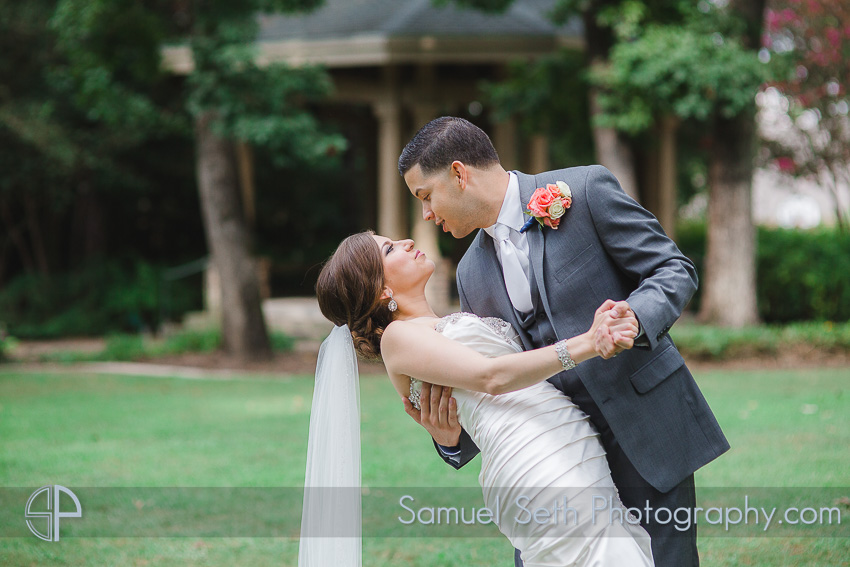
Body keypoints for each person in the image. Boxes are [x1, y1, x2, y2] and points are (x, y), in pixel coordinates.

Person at [398, 117, 730, 567]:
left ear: (459, 174)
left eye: (426, 196)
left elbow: (672, 270)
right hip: (556, 460)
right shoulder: (470, 274)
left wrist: (635, 315)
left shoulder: (585, 190)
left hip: (644, 427)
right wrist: (450, 442)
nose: (426, 215)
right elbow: (501, 383)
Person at [302, 230, 654, 567]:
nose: (407, 242)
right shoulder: (397, 338)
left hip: (566, 438)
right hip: (533, 458)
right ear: (381, 290)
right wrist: (590, 342)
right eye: (390, 249)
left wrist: (450, 440)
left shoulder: (439, 321)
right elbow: (492, 376)